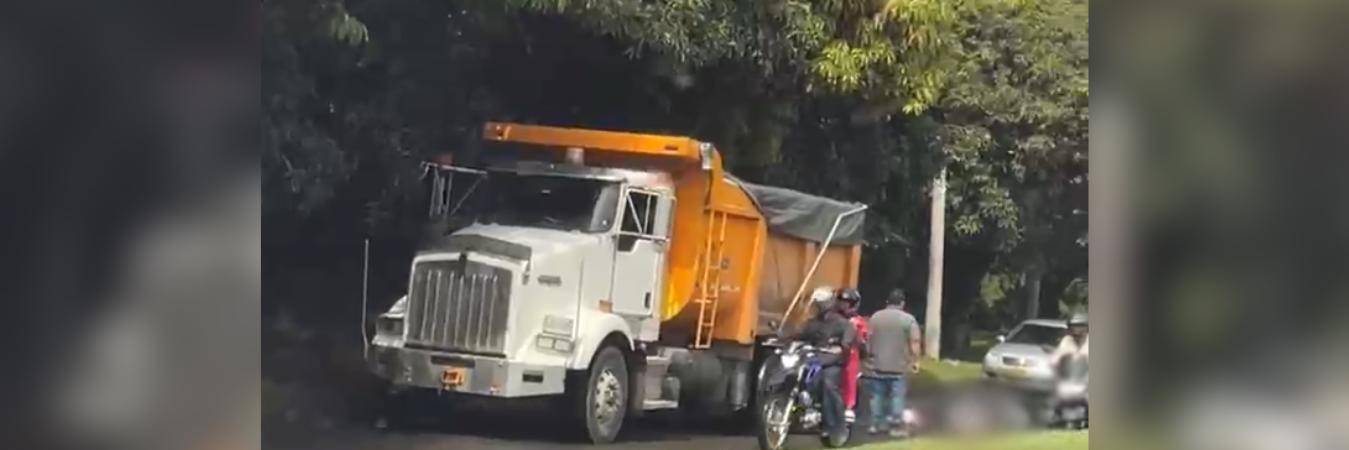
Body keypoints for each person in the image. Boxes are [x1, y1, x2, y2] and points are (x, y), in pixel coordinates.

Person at [796, 286, 855, 442]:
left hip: (832, 363)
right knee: (790, 373)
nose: (819, 306)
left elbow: (846, 346)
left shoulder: (843, 324)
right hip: (811, 360)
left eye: (821, 303)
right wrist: (781, 338)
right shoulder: (812, 323)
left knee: (828, 383)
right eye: (817, 303)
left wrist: (837, 348)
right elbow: (799, 335)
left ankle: (835, 427)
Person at [863, 289, 922, 437]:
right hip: (899, 366)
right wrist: (915, 360)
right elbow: (914, 341)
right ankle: (895, 426)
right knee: (897, 397)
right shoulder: (908, 319)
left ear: (887, 302)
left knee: (877, 396)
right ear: (902, 303)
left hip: (877, 364)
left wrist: (868, 356)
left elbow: (868, 339)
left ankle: (876, 424)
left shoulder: (875, 317)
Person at [836, 288, 868, 424]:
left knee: (849, 377)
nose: (843, 306)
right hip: (828, 353)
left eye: (846, 303)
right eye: (841, 302)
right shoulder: (831, 318)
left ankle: (848, 407)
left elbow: (863, 342)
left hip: (848, 356)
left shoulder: (858, 322)